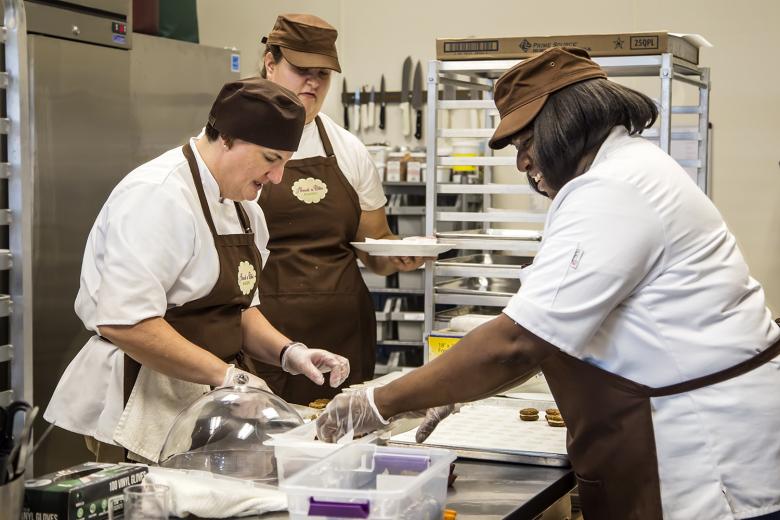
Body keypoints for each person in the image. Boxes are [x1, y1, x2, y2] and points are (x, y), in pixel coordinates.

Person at [316, 47, 780, 520]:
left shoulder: (613, 189)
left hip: (703, 451)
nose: (521, 164)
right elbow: (548, 331)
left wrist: (379, 401)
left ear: (566, 119)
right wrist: (452, 386)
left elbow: (517, 342)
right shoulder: (623, 172)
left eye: (524, 143)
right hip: (679, 430)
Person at [44, 78, 350, 464]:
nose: (277, 179)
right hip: (142, 403)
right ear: (228, 138)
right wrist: (230, 378)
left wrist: (290, 353)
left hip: (206, 405)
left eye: (285, 163)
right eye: (271, 160)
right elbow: (126, 323)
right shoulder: (157, 196)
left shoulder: (245, 208)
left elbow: (238, 311)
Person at [246, 13, 424, 404]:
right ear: (270, 63)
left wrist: (400, 255)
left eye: (323, 73)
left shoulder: (348, 149)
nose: (313, 81)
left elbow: (375, 249)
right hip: (265, 336)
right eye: (301, 69)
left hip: (343, 333)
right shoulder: (238, 147)